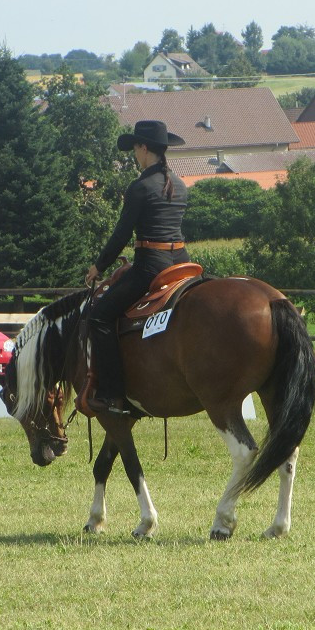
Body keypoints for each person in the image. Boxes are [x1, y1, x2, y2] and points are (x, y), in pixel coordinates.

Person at [84, 120, 190, 414]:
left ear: (144, 149)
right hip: (183, 264)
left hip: (151, 267)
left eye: (134, 148)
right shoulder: (180, 185)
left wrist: (99, 266)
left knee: (99, 317)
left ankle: (113, 394)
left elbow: (121, 234)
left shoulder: (140, 187)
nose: (134, 154)